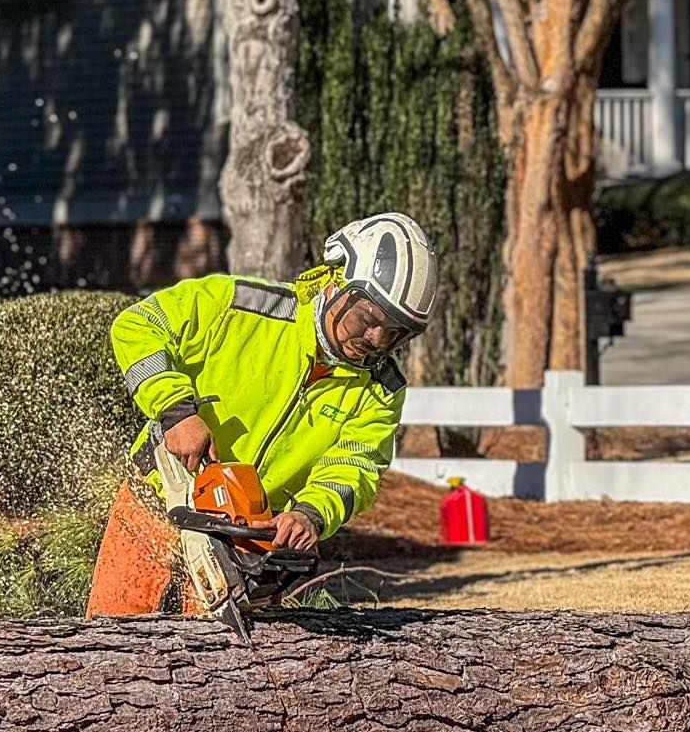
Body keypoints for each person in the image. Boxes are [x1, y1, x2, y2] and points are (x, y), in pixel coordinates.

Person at [86, 212, 438, 617]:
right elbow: (138, 324)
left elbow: (353, 466)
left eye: (394, 332)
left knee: (228, 675)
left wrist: (310, 514)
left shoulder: (380, 388)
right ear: (336, 281)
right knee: (111, 650)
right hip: (156, 505)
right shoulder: (244, 306)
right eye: (368, 319)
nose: (376, 339)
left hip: (247, 543)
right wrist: (175, 410)